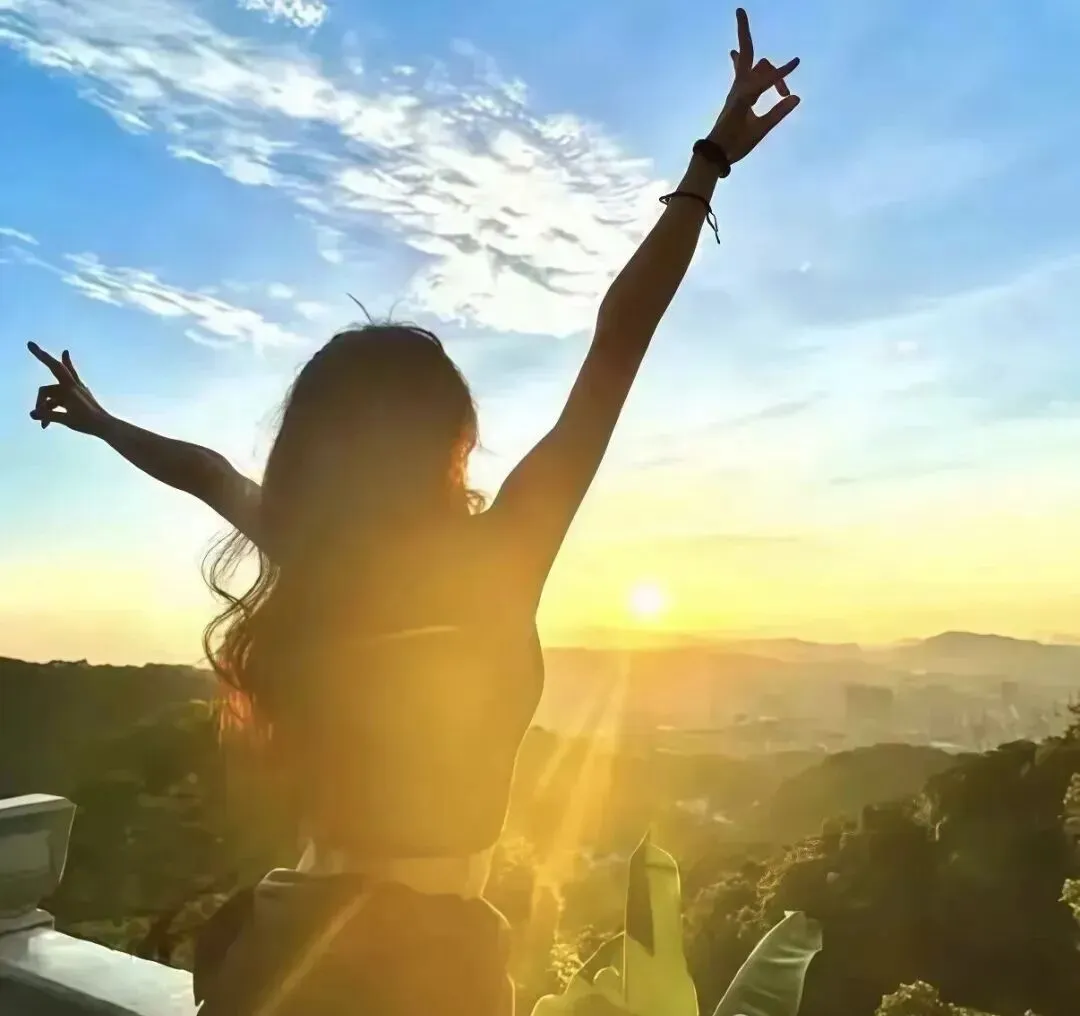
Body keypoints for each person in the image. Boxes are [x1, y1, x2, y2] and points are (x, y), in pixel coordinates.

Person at [27, 10, 799, 1013]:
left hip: (276, 949)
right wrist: (707, 165)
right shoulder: (499, 556)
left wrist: (100, 421)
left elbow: (209, 472)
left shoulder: (318, 555)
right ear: (451, 443)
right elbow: (617, 343)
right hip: (418, 969)